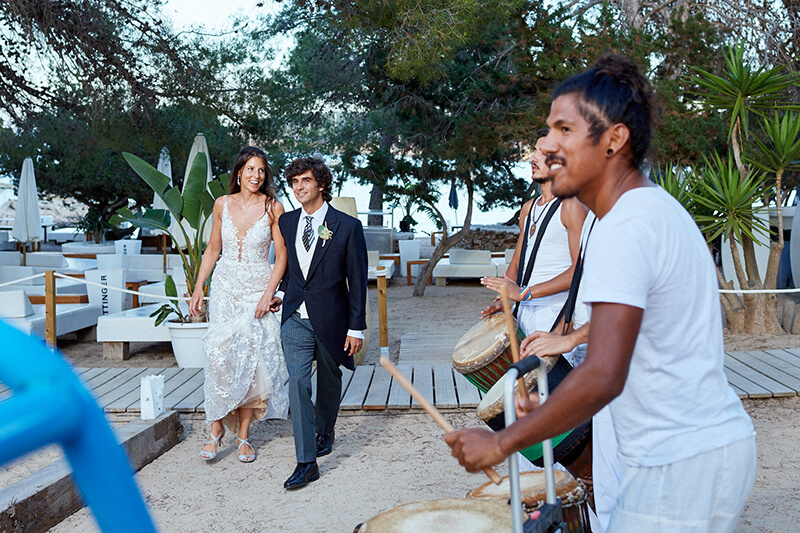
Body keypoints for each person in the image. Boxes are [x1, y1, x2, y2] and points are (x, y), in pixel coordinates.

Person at [446, 54, 756, 532]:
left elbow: (604, 373)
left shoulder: (625, 226)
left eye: (564, 130)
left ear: (614, 139)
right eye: (549, 130)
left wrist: (502, 442)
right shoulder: (647, 210)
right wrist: (550, 408)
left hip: (676, 464)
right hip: (700, 450)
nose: (548, 145)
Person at [189, 146, 290, 464]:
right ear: (239, 173)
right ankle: (215, 428)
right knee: (219, 357)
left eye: (261, 170)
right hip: (225, 288)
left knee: (252, 361)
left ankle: (244, 435)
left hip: (257, 289)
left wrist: (268, 294)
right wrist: (198, 287)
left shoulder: (274, 207)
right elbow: (212, 249)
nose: (256, 175)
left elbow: (282, 256)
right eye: (250, 169)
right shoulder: (222, 203)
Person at [277, 157, 368, 490]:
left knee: (330, 377)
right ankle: (306, 463)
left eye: (305, 180)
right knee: (298, 383)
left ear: (322, 184)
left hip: (332, 318)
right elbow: (291, 269)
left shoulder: (347, 226)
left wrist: (355, 328)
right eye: (294, 182)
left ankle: (325, 430)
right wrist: (281, 293)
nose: (299, 187)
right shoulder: (287, 222)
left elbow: (357, 281)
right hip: (294, 319)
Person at [480, 130, 587, 337]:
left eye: (543, 153)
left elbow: (579, 269)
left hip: (555, 314)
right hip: (523, 312)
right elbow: (517, 263)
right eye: (535, 151)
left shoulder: (571, 206)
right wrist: (503, 300)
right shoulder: (528, 209)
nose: (533, 158)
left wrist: (524, 293)